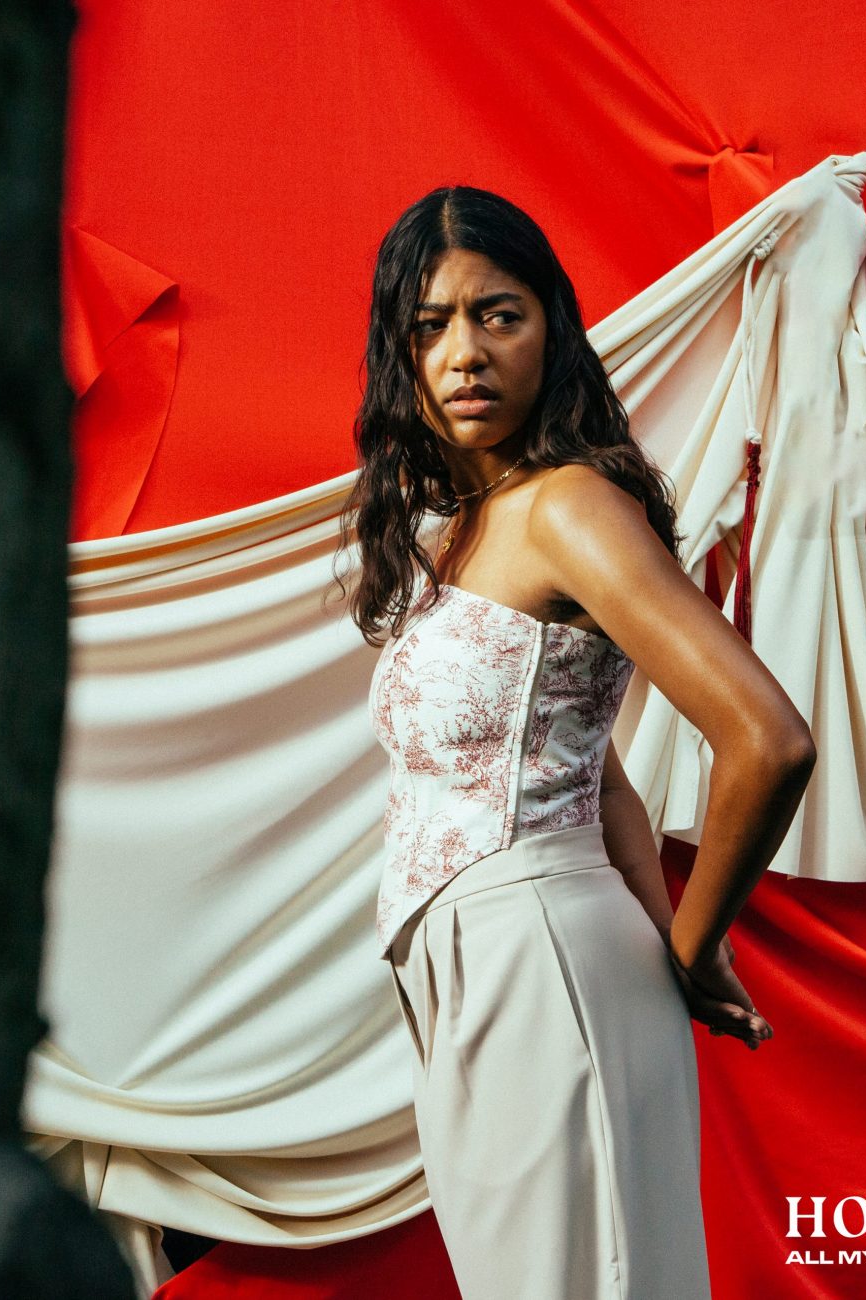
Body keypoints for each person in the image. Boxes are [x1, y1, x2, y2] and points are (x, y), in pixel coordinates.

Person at [335, 184, 816, 1300]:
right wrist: (670, 937)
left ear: (551, 328)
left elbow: (768, 739)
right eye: (431, 324)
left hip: (542, 963)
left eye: (498, 315)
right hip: (472, 979)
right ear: (400, 353)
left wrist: (692, 944)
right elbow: (597, 775)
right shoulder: (459, 535)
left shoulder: (567, 507)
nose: (465, 352)